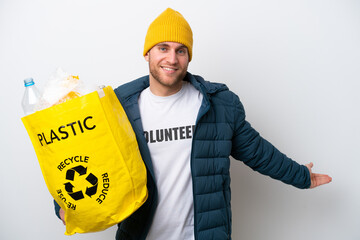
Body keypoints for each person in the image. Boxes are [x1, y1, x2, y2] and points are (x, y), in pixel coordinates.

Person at [55, 8, 332, 240]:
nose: (172, 59)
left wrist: (300, 176)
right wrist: (62, 205)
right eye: (163, 48)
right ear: (147, 54)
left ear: (189, 57)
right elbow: (88, 157)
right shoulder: (118, 106)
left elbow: (257, 152)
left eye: (181, 50)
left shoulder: (218, 104)